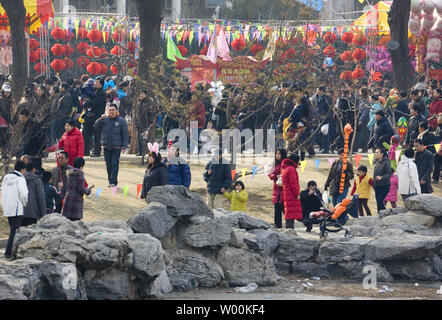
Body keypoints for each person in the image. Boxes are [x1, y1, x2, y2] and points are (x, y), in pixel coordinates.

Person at [94, 103, 129, 187]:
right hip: (106, 146)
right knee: (108, 164)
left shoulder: (121, 120)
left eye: (113, 110)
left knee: (114, 163)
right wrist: (100, 119)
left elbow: (125, 134)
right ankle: (110, 180)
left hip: (117, 146)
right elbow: (96, 127)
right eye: (109, 110)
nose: (111, 112)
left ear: (116, 111)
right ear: (107, 111)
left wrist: (124, 145)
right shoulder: (104, 119)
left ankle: (113, 182)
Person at [1, 161, 28, 259]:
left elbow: (3, 192)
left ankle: (9, 251)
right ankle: (9, 252)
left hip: (8, 208)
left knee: (12, 229)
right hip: (17, 208)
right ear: (22, 169)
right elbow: (23, 194)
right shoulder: (20, 179)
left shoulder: (6, 178)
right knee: (15, 231)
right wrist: (24, 203)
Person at [62, 157, 94, 221]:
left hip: (68, 198)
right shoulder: (80, 174)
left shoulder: (69, 172)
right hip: (76, 200)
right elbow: (81, 189)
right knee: (76, 223)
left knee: (67, 221)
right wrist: (88, 191)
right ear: (82, 166)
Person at [17, 109, 46, 173]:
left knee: (37, 167)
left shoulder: (34, 125)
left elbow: (39, 138)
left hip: (35, 150)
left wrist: (40, 149)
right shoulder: (24, 126)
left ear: (28, 117)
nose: (22, 119)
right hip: (27, 150)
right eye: (20, 118)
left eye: (23, 118)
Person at [83, 77, 106, 157]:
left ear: (101, 85)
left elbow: (96, 103)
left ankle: (96, 152)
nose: (94, 84)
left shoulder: (102, 93)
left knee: (96, 135)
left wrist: (87, 104)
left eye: (97, 83)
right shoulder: (93, 91)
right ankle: (86, 151)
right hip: (89, 116)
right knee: (86, 133)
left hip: (97, 117)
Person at [281, 153, 302, 229]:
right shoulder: (291, 169)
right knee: (291, 213)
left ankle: (289, 229)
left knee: (289, 212)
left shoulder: (285, 168)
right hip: (291, 193)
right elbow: (293, 183)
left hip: (287, 193)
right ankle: (290, 230)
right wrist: (297, 193)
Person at [22, 161, 46, 226]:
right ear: (34, 169)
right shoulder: (37, 180)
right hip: (32, 211)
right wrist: (43, 212)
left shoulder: (20, 178)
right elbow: (40, 197)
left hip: (20, 211)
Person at [268, 149, 287, 228]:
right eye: (276, 154)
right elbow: (270, 174)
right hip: (276, 191)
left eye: (279, 154)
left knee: (286, 211)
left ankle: (289, 228)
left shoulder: (286, 163)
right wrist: (276, 176)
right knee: (277, 211)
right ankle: (278, 227)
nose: (277, 155)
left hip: (284, 190)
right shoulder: (274, 164)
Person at [373, 147, 392, 213]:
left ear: (382, 153)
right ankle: (379, 215)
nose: (376, 154)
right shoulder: (377, 161)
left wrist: (382, 177)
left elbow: (389, 173)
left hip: (384, 185)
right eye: (375, 152)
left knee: (380, 200)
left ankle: (385, 213)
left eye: (377, 152)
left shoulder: (386, 162)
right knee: (378, 202)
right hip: (376, 185)